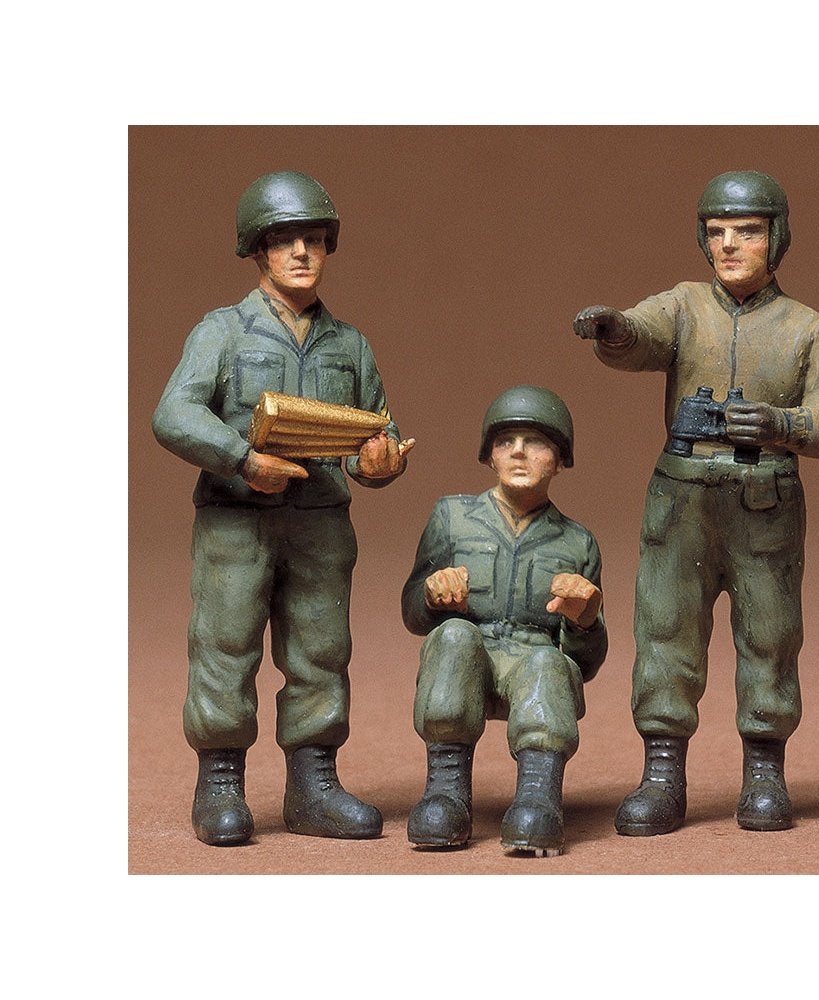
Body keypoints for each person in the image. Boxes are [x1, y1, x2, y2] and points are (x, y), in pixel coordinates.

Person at [573, 170, 819, 833]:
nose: (728, 244)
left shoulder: (808, 329)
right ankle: (662, 774)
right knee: (665, 631)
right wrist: (614, 328)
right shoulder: (684, 305)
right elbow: (642, 335)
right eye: (716, 231)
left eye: (747, 231)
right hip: (682, 502)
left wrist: (782, 424)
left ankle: (764, 771)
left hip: (765, 505)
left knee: (770, 636)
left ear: (776, 238)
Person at [153, 170, 414, 846]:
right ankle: (220, 783)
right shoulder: (222, 332)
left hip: (319, 523)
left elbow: (372, 431)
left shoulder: (349, 345)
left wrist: (380, 462)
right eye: (283, 240)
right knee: (225, 645)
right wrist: (242, 459)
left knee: (321, 651)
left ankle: (313, 785)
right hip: (236, 521)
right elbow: (174, 413)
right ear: (257, 249)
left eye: (314, 239)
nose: (301, 252)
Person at [402, 386, 607, 856]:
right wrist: (431, 595)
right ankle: (445, 792)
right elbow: (412, 611)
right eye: (505, 442)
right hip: (467, 660)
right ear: (490, 455)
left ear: (559, 459)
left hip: (532, 669)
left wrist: (585, 620)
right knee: (453, 637)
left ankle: (537, 797)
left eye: (536, 442)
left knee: (548, 664)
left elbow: (586, 662)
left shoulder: (578, 542)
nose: (518, 452)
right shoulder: (452, 517)